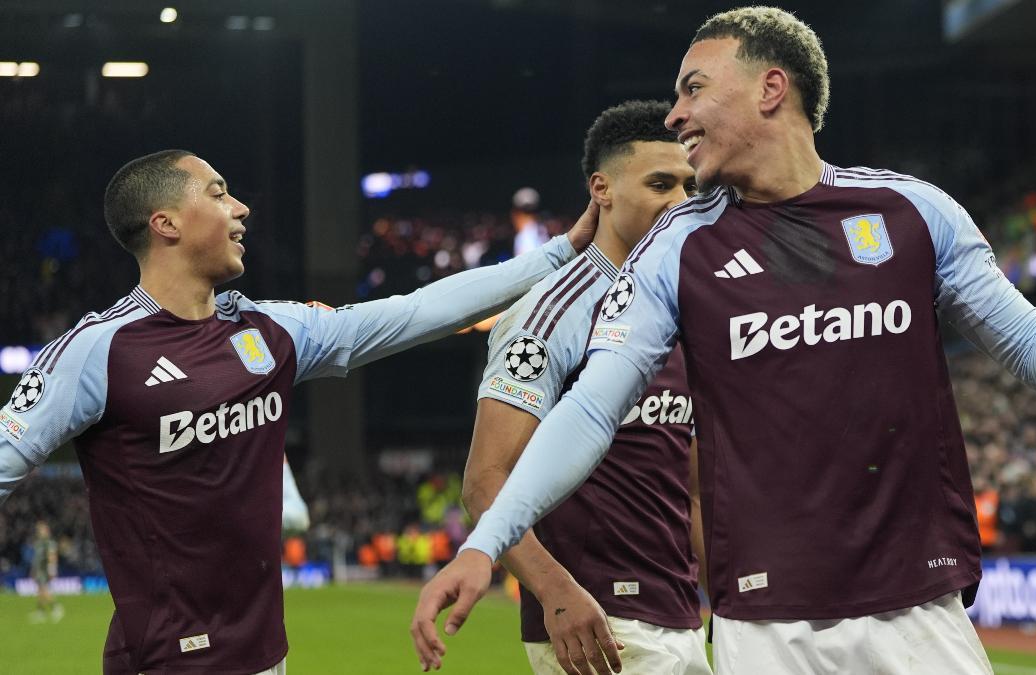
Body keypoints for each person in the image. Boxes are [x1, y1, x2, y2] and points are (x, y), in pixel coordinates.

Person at [411, 7, 1036, 675]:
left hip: (920, 614)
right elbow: (588, 412)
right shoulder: (678, 248)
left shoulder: (914, 213)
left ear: (770, 88)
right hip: (767, 629)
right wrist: (487, 541)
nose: (675, 115)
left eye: (693, 89)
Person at [0, 149, 597, 674]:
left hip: (267, 652)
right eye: (217, 193)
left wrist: (559, 255)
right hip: (165, 659)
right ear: (166, 224)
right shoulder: (99, 349)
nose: (241, 209)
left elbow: (414, 312)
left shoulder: (270, 330)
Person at [460, 100, 706, 675]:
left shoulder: (681, 312)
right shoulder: (549, 314)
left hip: (678, 614)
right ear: (603, 189)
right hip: (598, 625)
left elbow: (691, 486)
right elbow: (484, 481)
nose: (679, 203)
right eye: (659, 183)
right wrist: (556, 593)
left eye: (689, 186)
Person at [29, 519, 64, 624]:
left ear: (46, 530)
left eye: (41, 529)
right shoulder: (38, 543)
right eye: (38, 529)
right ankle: (41, 612)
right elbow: (36, 559)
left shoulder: (49, 543)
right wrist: (33, 570)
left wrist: (51, 570)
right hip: (39, 570)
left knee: (44, 590)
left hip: (45, 570)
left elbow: (52, 557)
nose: (39, 531)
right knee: (40, 590)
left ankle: (57, 608)